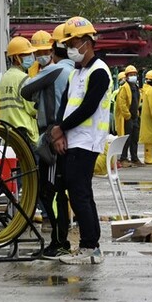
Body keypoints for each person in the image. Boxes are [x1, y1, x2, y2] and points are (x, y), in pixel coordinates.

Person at [47, 16, 112, 265]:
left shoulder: (99, 72)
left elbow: (87, 108)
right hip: (72, 139)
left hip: (87, 141)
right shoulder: (77, 72)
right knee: (80, 193)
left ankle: (89, 247)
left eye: (73, 42)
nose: (70, 48)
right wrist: (59, 131)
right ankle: (91, 245)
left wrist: (61, 129)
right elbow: (66, 104)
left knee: (80, 194)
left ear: (87, 41)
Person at [21, 24, 75, 259]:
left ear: (53, 50)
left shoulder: (53, 71)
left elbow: (25, 90)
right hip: (64, 134)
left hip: (52, 136)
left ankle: (59, 241)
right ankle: (59, 239)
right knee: (57, 190)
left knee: (50, 191)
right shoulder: (73, 70)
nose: (40, 56)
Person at [0, 37, 38, 145]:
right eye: (26, 54)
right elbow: (32, 109)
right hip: (23, 130)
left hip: (7, 130)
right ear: (16, 57)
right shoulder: (24, 79)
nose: (30, 57)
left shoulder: (4, 78)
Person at [114, 64, 142, 167]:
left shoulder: (136, 87)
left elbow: (136, 101)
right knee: (126, 138)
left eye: (135, 74)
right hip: (127, 118)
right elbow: (122, 103)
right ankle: (123, 158)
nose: (133, 76)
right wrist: (128, 116)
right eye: (131, 74)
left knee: (135, 138)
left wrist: (136, 115)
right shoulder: (124, 88)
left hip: (134, 117)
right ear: (126, 76)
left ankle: (134, 158)